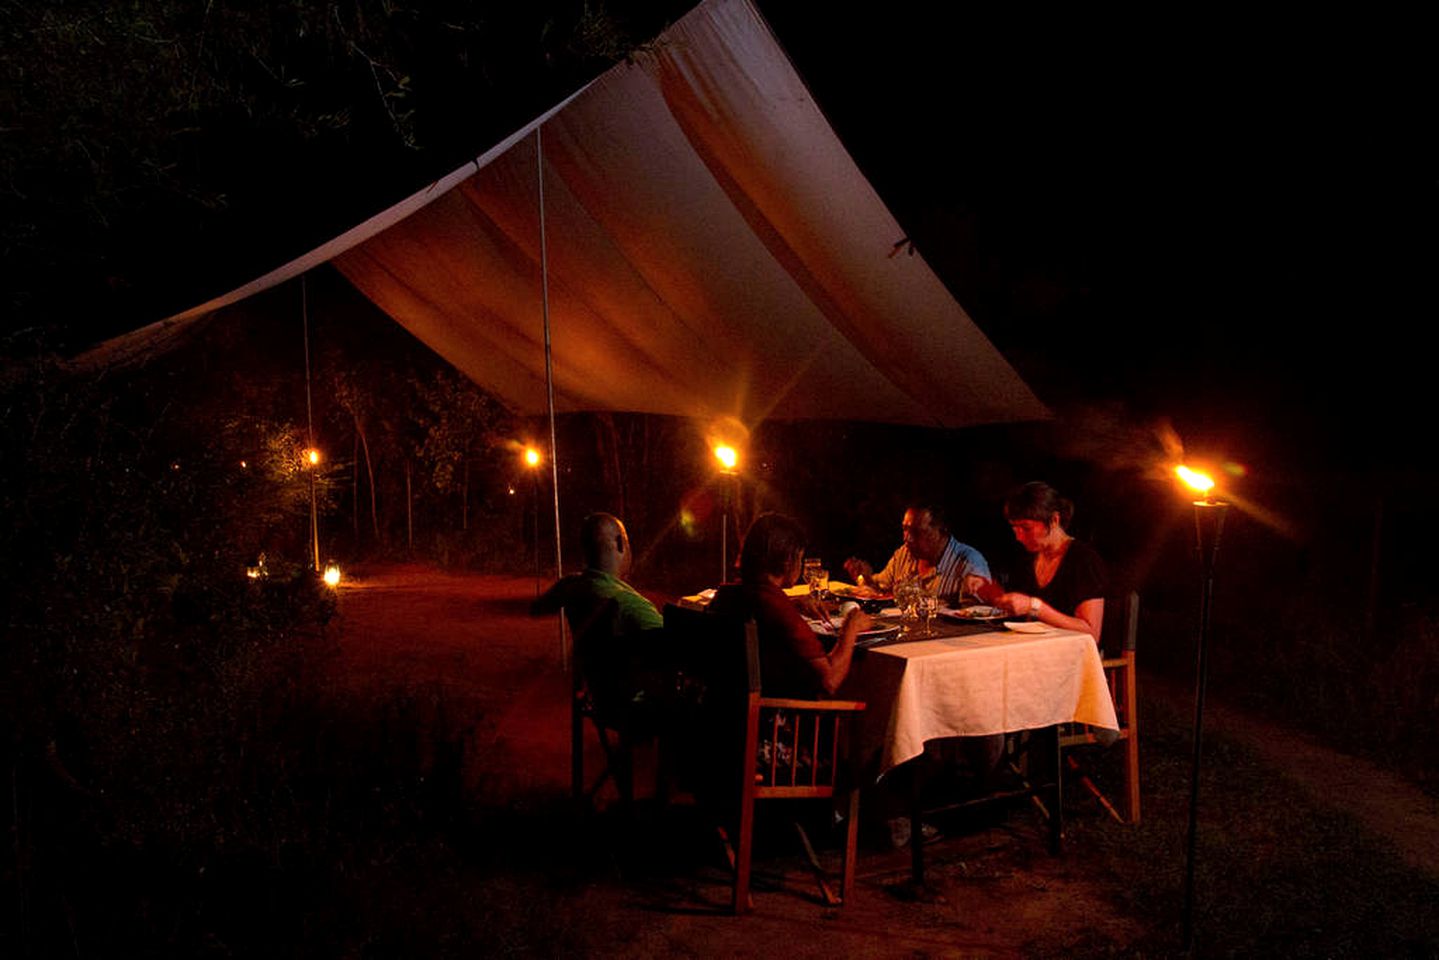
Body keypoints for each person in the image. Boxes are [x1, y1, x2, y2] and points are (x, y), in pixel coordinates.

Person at [709, 512, 872, 698]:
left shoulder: (727, 595)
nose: (800, 565)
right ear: (787, 561)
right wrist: (850, 629)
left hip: (727, 709)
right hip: (779, 717)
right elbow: (830, 681)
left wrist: (792, 604)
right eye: (800, 558)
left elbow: (757, 610)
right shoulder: (776, 606)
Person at [531, 512, 665, 714]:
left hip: (600, 698)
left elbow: (537, 608)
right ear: (620, 543)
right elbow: (674, 648)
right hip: (637, 705)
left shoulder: (571, 586)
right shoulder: (631, 604)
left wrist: (573, 581)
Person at [990, 481, 1108, 643]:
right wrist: (989, 592)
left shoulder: (1083, 560)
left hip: (1069, 656)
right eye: (1014, 528)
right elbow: (1017, 613)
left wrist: (1036, 607)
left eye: (1026, 528)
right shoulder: (1027, 556)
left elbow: (1091, 633)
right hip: (1030, 649)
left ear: (1054, 520)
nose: (1019, 537)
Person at [843, 503, 991, 604]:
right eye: (905, 529)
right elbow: (881, 589)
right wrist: (864, 577)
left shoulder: (969, 562)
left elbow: (977, 616)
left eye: (916, 532)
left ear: (940, 531)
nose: (906, 538)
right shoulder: (904, 554)